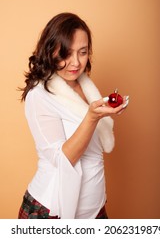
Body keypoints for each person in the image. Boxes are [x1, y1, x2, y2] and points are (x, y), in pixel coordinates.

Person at [18, 12, 129, 219]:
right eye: (66, 53)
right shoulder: (39, 95)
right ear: (51, 51)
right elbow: (62, 159)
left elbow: (95, 155)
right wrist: (92, 117)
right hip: (50, 214)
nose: (76, 62)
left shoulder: (86, 87)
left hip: (95, 210)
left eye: (83, 52)